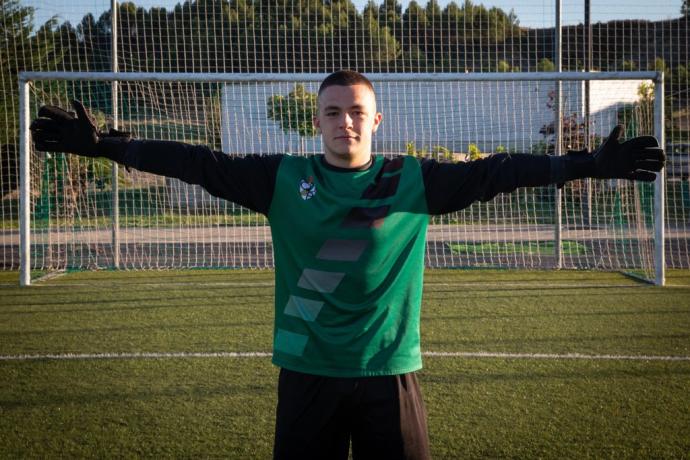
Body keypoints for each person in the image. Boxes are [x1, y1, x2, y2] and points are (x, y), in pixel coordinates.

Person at [30, 70, 664, 459]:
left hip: (390, 371)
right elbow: (196, 161)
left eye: (357, 111)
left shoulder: (412, 180)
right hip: (306, 371)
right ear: (317, 121)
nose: (345, 122)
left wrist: (589, 164)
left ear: (376, 120)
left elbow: (501, 172)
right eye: (332, 111)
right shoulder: (282, 178)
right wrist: (106, 144)